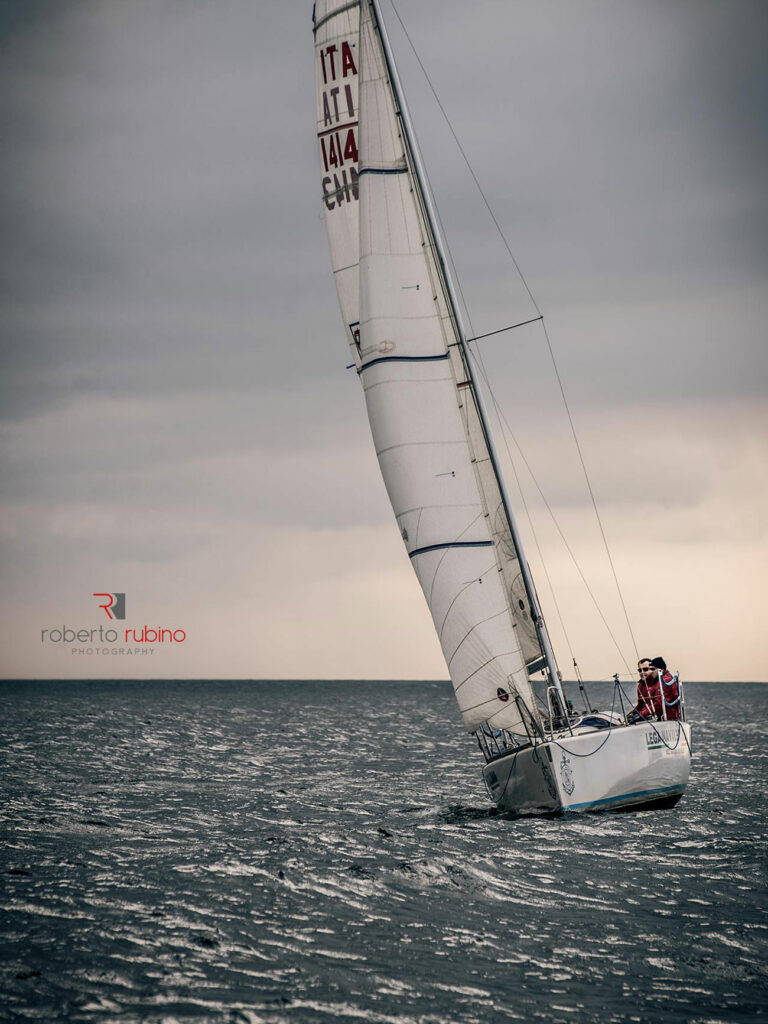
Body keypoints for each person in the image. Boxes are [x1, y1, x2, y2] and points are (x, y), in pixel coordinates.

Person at [627, 658, 662, 723]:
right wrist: (632, 713)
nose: (642, 672)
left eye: (645, 669)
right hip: (647, 718)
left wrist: (641, 714)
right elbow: (640, 705)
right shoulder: (641, 686)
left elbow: (658, 705)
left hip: (661, 719)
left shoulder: (660, 682)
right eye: (640, 670)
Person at [651, 655, 681, 720]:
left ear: (661, 670)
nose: (651, 671)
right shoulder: (659, 680)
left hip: (669, 718)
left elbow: (659, 704)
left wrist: (641, 714)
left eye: (652, 669)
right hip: (663, 717)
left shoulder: (666, 680)